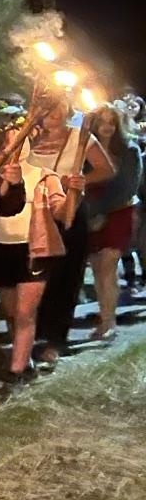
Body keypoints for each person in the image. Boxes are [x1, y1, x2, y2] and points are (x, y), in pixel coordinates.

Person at [27, 92, 114, 365]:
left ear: (68, 108)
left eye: (60, 106)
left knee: (64, 275)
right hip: (32, 215)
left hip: (69, 213)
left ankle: (54, 338)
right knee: (32, 277)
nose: (54, 112)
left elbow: (106, 169)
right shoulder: (27, 137)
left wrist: (77, 181)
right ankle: (30, 334)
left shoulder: (80, 137)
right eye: (48, 107)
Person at [0, 118, 59, 384]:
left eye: (25, 138)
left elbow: (60, 206)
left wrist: (66, 197)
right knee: (11, 311)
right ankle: (24, 356)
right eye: (14, 140)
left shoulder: (42, 174)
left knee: (26, 312)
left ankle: (15, 371)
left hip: (32, 249)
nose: (21, 145)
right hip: (2, 248)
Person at [84, 104, 141, 342]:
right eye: (101, 122)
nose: (106, 127)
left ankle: (109, 321)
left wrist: (102, 213)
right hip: (91, 213)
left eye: (111, 122)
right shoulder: (86, 149)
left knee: (108, 265)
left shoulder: (130, 150)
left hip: (119, 211)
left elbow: (127, 187)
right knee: (97, 268)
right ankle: (105, 315)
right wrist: (90, 215)